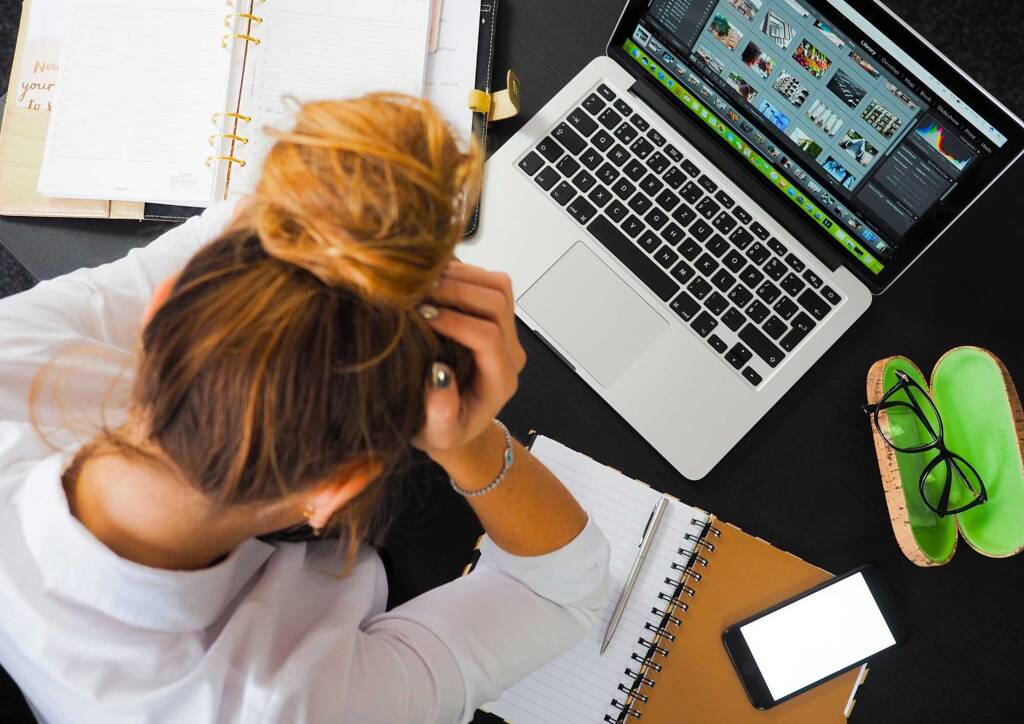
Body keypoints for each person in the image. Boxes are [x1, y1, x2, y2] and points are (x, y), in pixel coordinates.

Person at [0, 94, 610, 723]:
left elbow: (242, 226)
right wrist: (472, 441)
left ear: (157, 312)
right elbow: (561, 592)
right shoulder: (291, 708)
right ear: (335, 491)